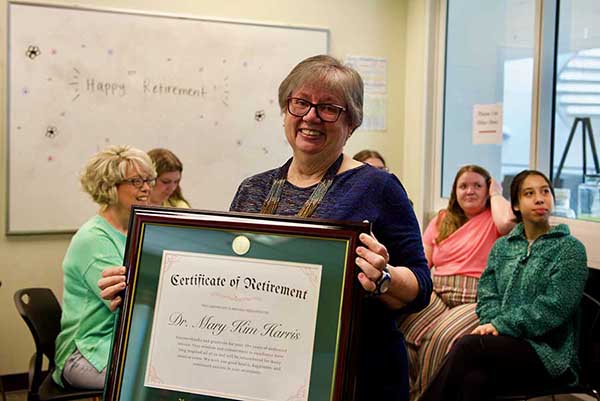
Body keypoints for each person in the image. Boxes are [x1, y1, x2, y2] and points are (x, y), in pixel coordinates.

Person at [99, 55, 432, 401]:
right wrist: (139, 287)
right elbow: (223, 281)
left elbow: (421, 286)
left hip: (354, 378)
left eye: (329, 108)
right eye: (300, 102)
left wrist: (385, 278)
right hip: (262, 377)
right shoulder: (252, 188)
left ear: (352, 122)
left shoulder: (378, 188)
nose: (310, 116)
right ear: (286, 110)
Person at [419, 170, 588, 401]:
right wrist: (493, 324)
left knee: (467, 345)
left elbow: (554, 308)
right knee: (472, 382)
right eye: (529, 193)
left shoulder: (570, 249)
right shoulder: (503, 248)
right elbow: (487, 295)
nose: (539, 199)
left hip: (548, 354)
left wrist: (501, 325)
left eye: (545, 192)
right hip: (503, 345)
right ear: (516, 205)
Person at [399, 165, 515, 400]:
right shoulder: (442, 219)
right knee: (403, 329)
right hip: (438, 291)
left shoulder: (495, 220)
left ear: (488, 189)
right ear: (455, 191)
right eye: (463, 186)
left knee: (440, 339)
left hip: (475, 298)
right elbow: (423, 261)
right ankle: (407, 393)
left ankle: (425, 397)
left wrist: (496, 193)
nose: (470, 191)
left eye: (478, 186)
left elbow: (506, 222)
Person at [53, 145, 156, 389]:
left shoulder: (134, 228)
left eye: (148, 179)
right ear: (110, 186)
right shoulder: (94, 238)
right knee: (155, 384)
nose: (146, 187)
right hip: (85, 353)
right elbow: (128, 303)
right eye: (136, 180)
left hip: (123, 343)